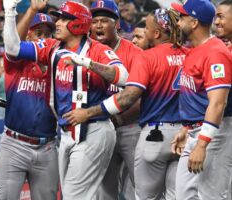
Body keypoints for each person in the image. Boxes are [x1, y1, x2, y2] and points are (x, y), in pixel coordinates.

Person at [3, 0, 128, 199]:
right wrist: (10, 13)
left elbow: (123, 77)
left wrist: (88, 63)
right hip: (66, 132)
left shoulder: (98, 50)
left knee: (73, 196)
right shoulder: (53, 47)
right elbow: (12, 48)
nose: (58, 23)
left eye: (64, 18)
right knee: (71, 195)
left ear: (78, 24)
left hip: (94, 129)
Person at [64, 7, 188, 199]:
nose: (143, 32)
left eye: (146, 28)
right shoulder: (190, 54)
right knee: (176, 195)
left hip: (153, 135)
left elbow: (129, 96)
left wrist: (90, 112)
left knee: (144, 196)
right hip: (184, 135)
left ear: (156, 33)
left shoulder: (147, 56)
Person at [0, 1, 59, 198]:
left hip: (47, 146)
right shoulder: (17, 61)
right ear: (28, 36)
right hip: (14, 144)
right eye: (39, 34)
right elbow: (13, 44)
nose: (45, 39)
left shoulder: (58, 64)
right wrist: (31, 11)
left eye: (49, 34)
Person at [171, 0, 232, 199]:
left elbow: (218, 102)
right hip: (195, 131)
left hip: (214, 132)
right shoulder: (196, 50)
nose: (178, 23)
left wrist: (203, 143)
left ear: (194, 22)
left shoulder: (215, 53)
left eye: (181, 18)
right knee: (184, 195)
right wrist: (186, 128)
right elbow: (198, 98)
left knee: (211, 196)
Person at [89, 0, 143, 199]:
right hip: (101, 129)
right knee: (105, 191)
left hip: (130, 128)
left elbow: (141, 95)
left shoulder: (134, 52)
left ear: (117, 24)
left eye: (104, 20)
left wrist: (119, 119)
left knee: (141, 188)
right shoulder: (86, 51)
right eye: (95, 21)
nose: (99, 26)